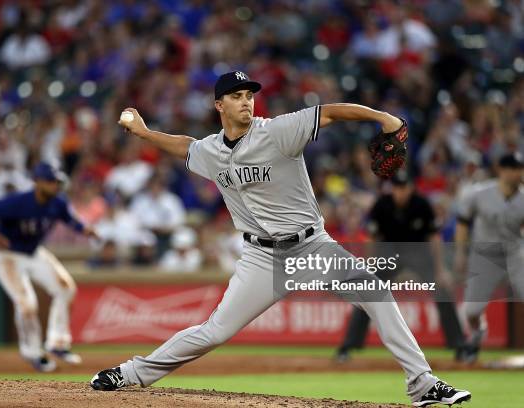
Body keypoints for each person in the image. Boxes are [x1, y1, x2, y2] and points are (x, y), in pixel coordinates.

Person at [90, 71, 471, 406]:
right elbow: (184, 146)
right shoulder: (211, 151)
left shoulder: (277, 131)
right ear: (218, 104)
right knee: (213, 332)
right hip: (261, 258)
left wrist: (383, 118)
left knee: (375, 292)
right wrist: (143, 133)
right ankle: (131, 373)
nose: (246, 102)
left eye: (249, 95)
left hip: (311, 247)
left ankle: (422, 383)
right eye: (237, 96)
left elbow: (332, 111)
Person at [0, 162, 97, 372]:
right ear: (37, 181)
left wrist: (83, 229)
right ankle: (32, 353)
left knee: (65, 288)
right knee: (26, 304)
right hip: (7, 254)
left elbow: (68, 219)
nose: (54, 185)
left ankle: (57, 343)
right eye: (50, 181)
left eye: (56, 181)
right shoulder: (19, 202)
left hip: (32, 252)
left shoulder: (57, 203)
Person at [335, 171, 465, 362]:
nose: (400, 192)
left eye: (403, 187)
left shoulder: (421, 204)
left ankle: (459, 346)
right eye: (397, 187)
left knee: (443, 290)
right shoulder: (382, 204)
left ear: (410, 187)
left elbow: (434, 237)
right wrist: (370, 266)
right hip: (389, 254)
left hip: (419, 254)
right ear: (392, 188)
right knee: (367, 292)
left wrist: (440, 270)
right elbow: (372, 237)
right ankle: (349, 346)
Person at [455, 152, 524, 363]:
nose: (519, 173)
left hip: (515, 253)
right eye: (515, 168)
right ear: (502, 170)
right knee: (472, 310)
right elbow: (463, 222)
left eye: (520, 168)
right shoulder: (479, 193)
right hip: (484, 255)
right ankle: (477, 333)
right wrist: (459, 252)